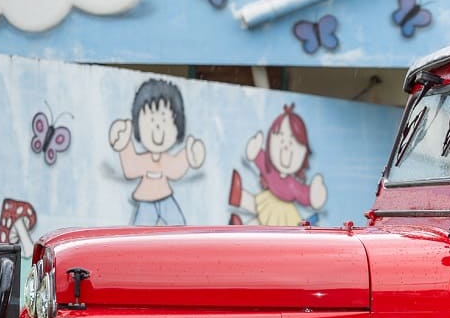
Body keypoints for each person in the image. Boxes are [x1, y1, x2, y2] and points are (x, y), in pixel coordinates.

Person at [110, 78, 206, 225]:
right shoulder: (143, 160)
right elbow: (131, 169)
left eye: (164, 120)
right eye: (151, 121)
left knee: (179, 228)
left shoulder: (167, 161)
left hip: (166, 198)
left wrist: (190, 155)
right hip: (146, 201)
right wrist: (124, 144)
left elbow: (175, 170)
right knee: (140, 234)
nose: (158, 129)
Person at [229, 104, 328, 226]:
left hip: (284, 213)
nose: (285, 147)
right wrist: (255, 151)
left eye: (292, 143)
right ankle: (239, 201)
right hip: (268, 201)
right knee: (260, 211)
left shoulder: (293, 185)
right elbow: (260, 160)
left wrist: (314, 194)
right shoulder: (271, 171)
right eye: (281, 140)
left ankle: (240, 200)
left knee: (263, 219)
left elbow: (305, 195)